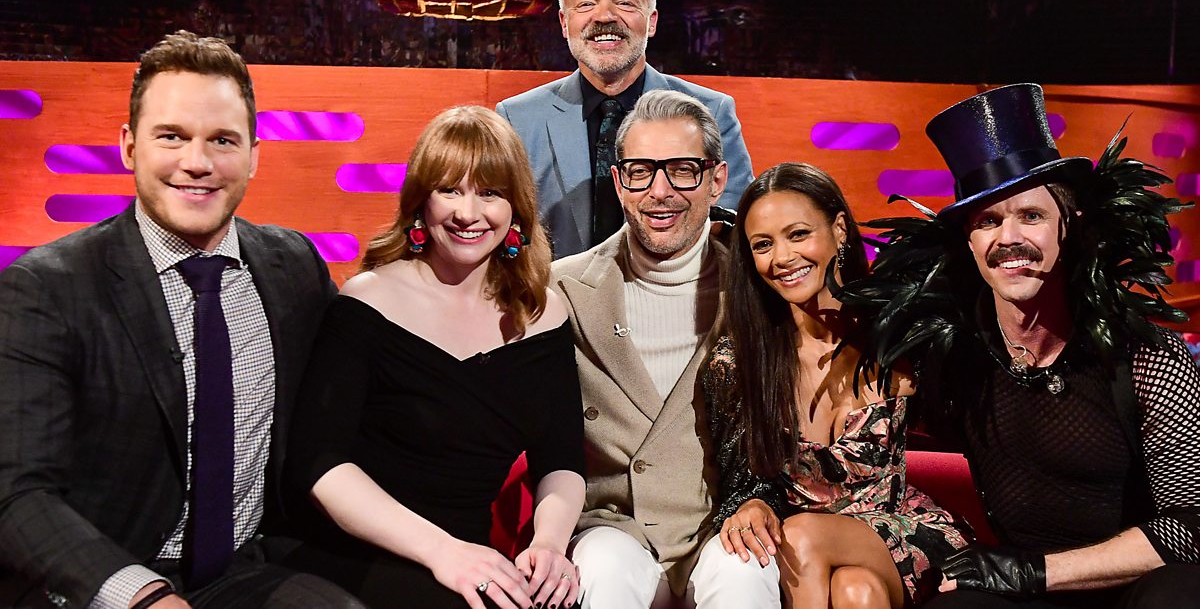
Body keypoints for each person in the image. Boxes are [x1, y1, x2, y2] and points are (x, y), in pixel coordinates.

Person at [0, 31, 361, 608]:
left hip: (244, 568)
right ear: (129, 146)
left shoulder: (293, 266)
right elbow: (17, 493)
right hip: (99, 579)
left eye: (222, 140)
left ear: (253, 156)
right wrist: (142, 596)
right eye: (171, 136)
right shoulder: (47, 288)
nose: (197, 163)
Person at [839, 83, 1200, 608]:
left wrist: (1034, 572)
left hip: (1136, 585)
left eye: (1030, 215)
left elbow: (1191, 527)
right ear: (969, 242)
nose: (1008, 238)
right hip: (1022, 594)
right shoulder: (952, 359)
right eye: (988, 221)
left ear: (1069, 226)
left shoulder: (1145, 355)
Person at [281, 106, 586, 609]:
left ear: (516, 207)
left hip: (471, 561)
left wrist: (549, 545)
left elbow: (562, 461)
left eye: (490, 193)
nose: (468, 213)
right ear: (421, 200)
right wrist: (443, 552)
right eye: (450, 190)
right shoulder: (368, 301)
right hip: (361, 550)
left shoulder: (543, 314)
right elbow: (320, 465)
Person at [703, 163, 972, 609]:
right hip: (807, 554)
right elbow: (739, 481)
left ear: (840, 229)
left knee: (802, 536)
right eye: (763, 245)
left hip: (900, 529)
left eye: (798, 234)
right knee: (855, 593)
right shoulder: (739, 363)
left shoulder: (900, 337)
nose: (782, 257)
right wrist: (749, 505)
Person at [552, 89, 779, 609]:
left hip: (725, 526)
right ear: (619, 182)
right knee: (603, 570)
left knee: (746, 576)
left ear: (716, 179)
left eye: (682, 170)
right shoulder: (561, 291)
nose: (660, 192)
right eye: (640, 172)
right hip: (612, 528)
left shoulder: (761, 290)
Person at [497, 0, 754, 259]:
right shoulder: (517, 120)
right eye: (586, 4)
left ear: (652, 21)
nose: (604, 16)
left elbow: (736, 234)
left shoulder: (713, 112)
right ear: (564, 23)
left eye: (625, 3)